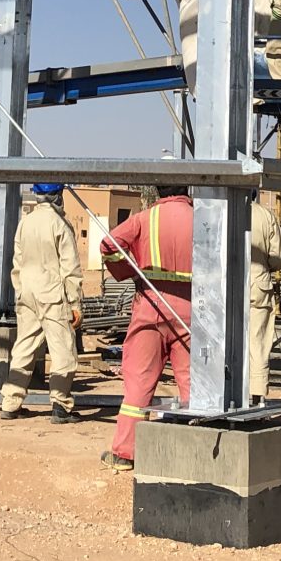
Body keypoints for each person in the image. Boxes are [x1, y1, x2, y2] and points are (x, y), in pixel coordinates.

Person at [98, 184, 194, 470]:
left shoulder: (144, 218)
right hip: (191, 308)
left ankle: (125, 453)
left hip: (151, 304)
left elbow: (109, 246)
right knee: (192, 382)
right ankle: (196, 452)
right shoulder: (201, 218)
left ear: (158, 189)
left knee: (139, 380)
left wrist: (130, 270)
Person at [0, 182, 83, 423]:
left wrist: (21, 290)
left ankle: (11, 403)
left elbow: (17, 262)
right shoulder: (60, 224)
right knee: (63, 350)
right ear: (57, 196)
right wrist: (75, 303)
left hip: (27, 294)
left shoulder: (25, 223)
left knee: (24, 347)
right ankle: (60, 405)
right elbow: (70, 268)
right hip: (52, 295)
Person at [248, 192, 281, 402]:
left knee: (226, 339)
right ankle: (257, 395)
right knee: (258, 341)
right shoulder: (265, 215)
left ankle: (228, 391)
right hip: (258, 284)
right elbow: (278, 257)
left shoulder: (221, 210)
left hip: (225, 284)